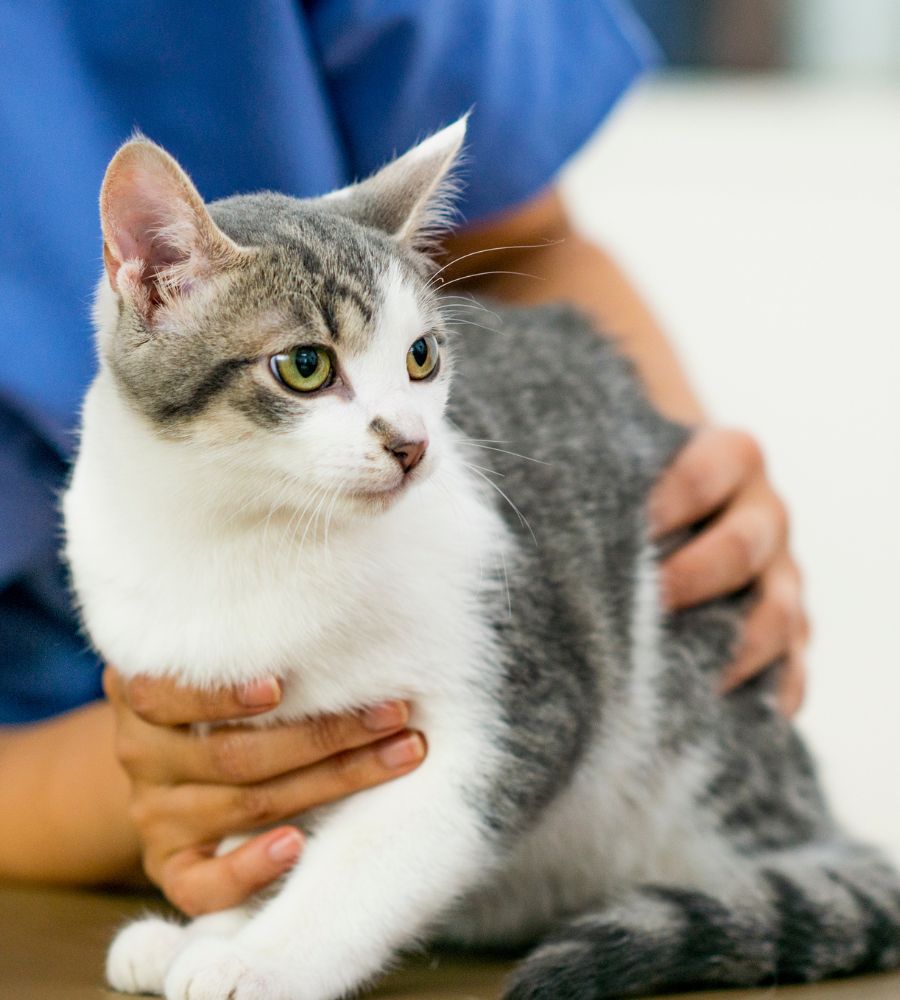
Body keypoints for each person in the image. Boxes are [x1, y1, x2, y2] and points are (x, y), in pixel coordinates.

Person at [0, 1, 807, 917]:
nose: (407, 432)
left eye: (423, 363)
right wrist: (151, 780)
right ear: (144, 283)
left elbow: (521, 252)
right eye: (305, 367)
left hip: (537, 812)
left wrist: (688, 507)